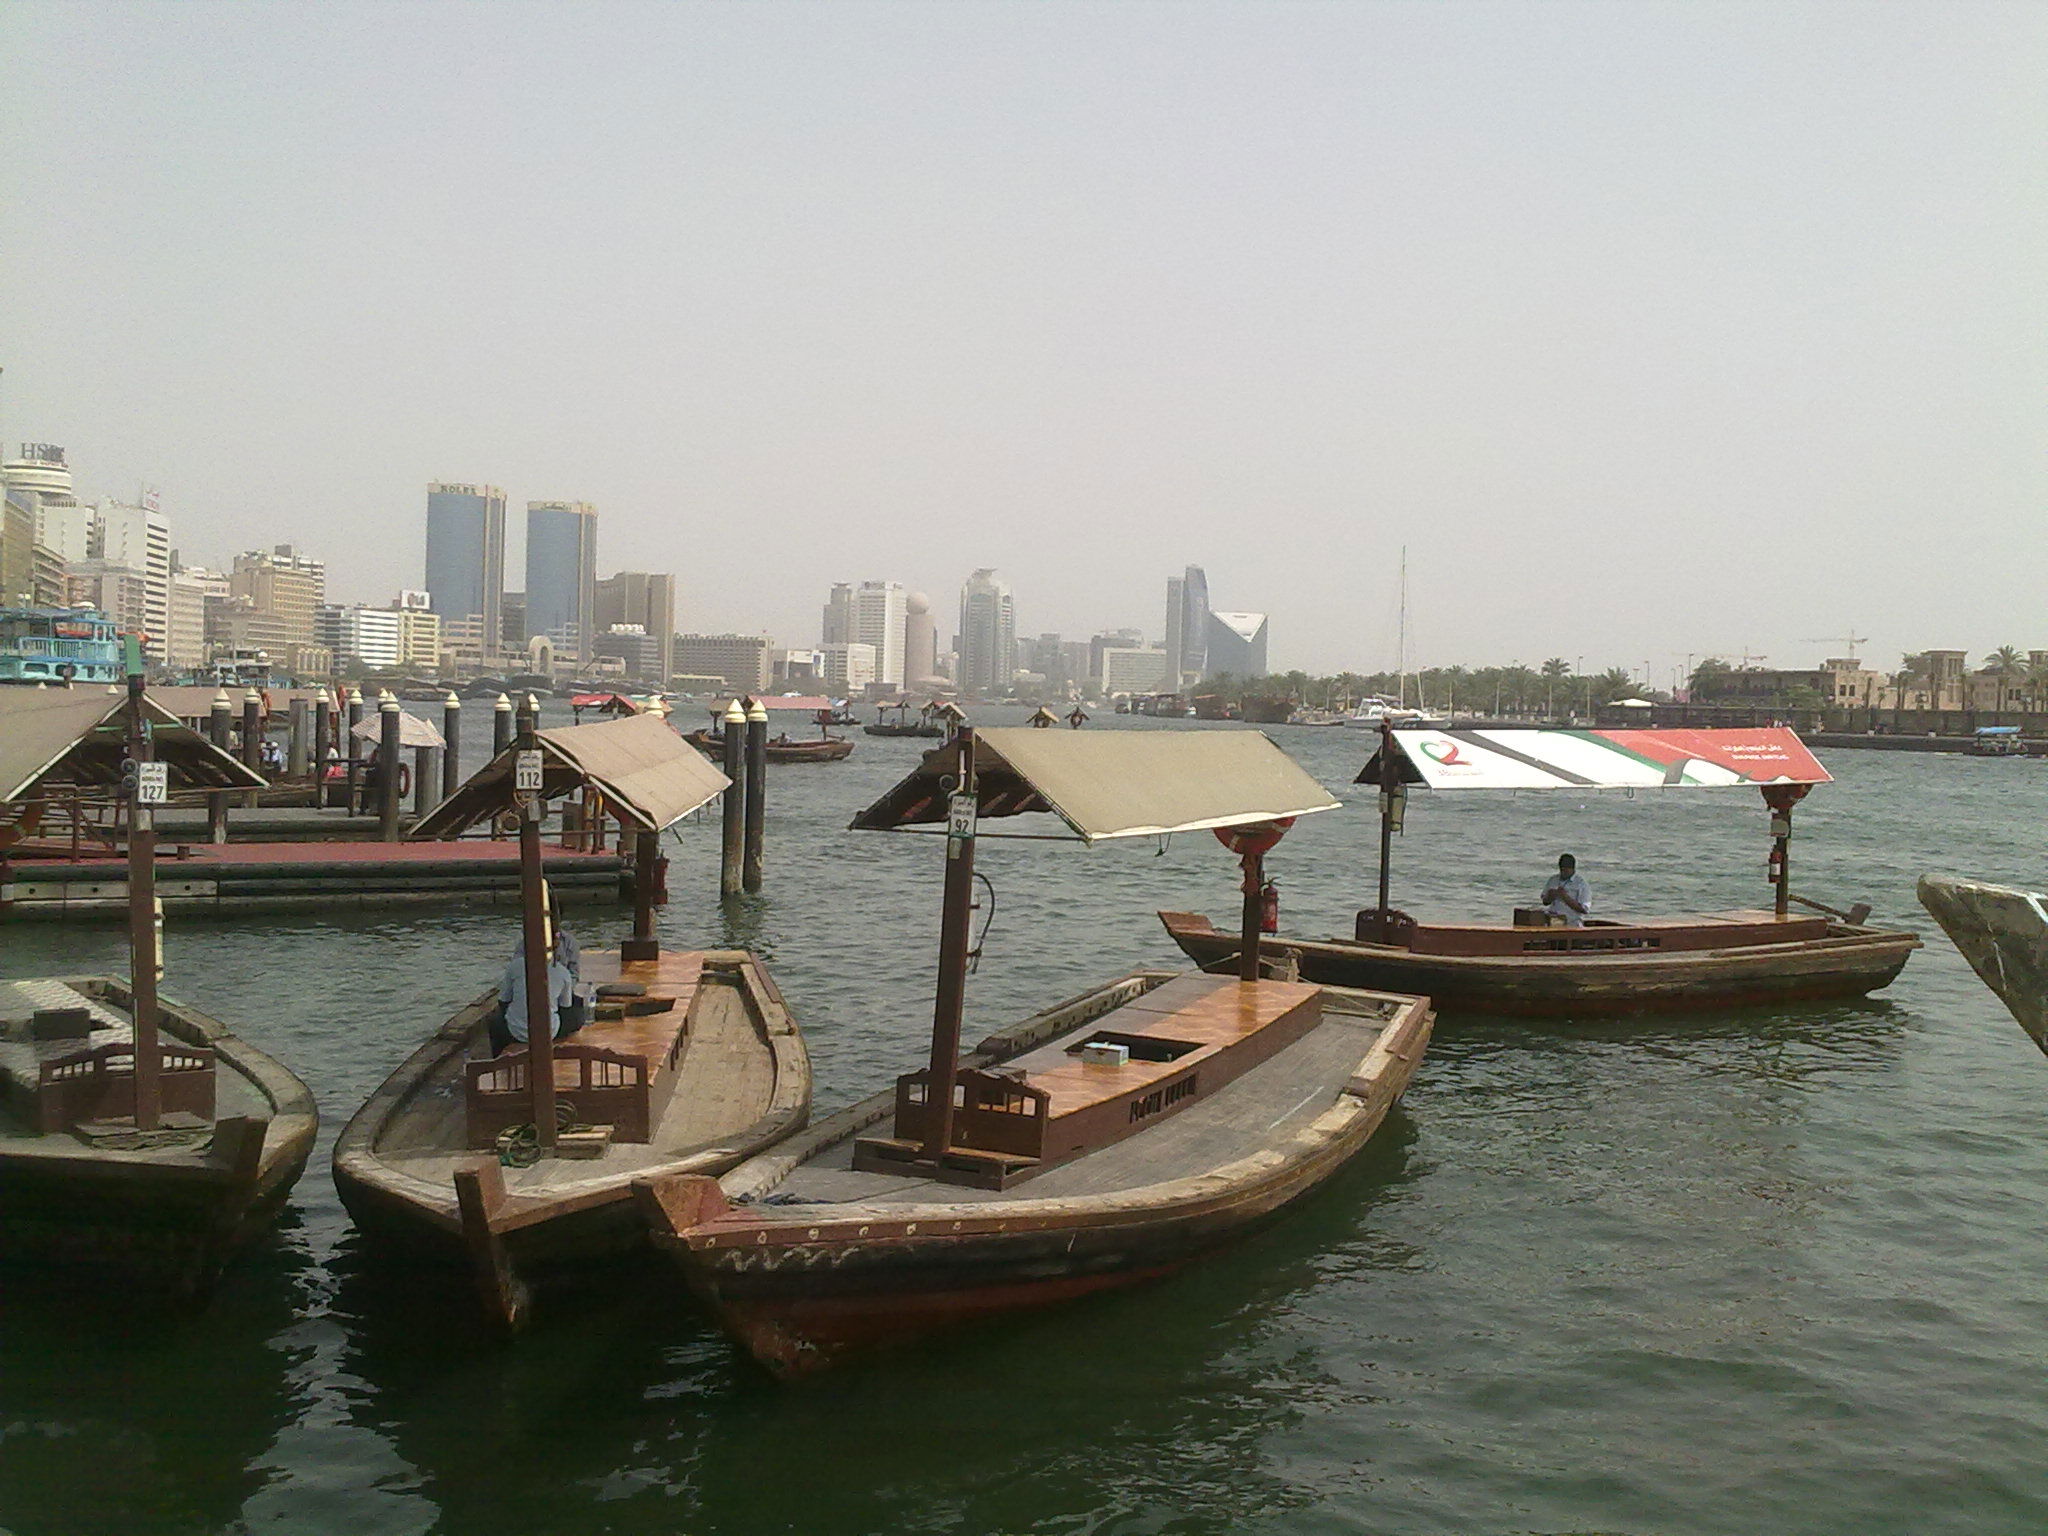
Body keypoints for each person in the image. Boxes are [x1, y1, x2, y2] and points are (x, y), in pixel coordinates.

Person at [489, 912, 589, 1054]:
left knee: (494, 1021)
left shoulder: (515, 965)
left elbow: (503, 1001)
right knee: (576, 1012)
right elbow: (565, 1006)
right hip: (550, 1029)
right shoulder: (561, 971)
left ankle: (497, 1059)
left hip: (515, 1030)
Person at [1540, 854, 1591, 927]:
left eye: (1566, 870)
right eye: (1561, 870)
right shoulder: (1553, 880)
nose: (1563, 873)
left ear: (1572, 869)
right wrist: (1550, 896)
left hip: (1572, 924)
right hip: (1553, 921)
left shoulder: (1581, 884)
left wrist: (1565, 897)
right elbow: (1545, 902)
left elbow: (1584, 909)